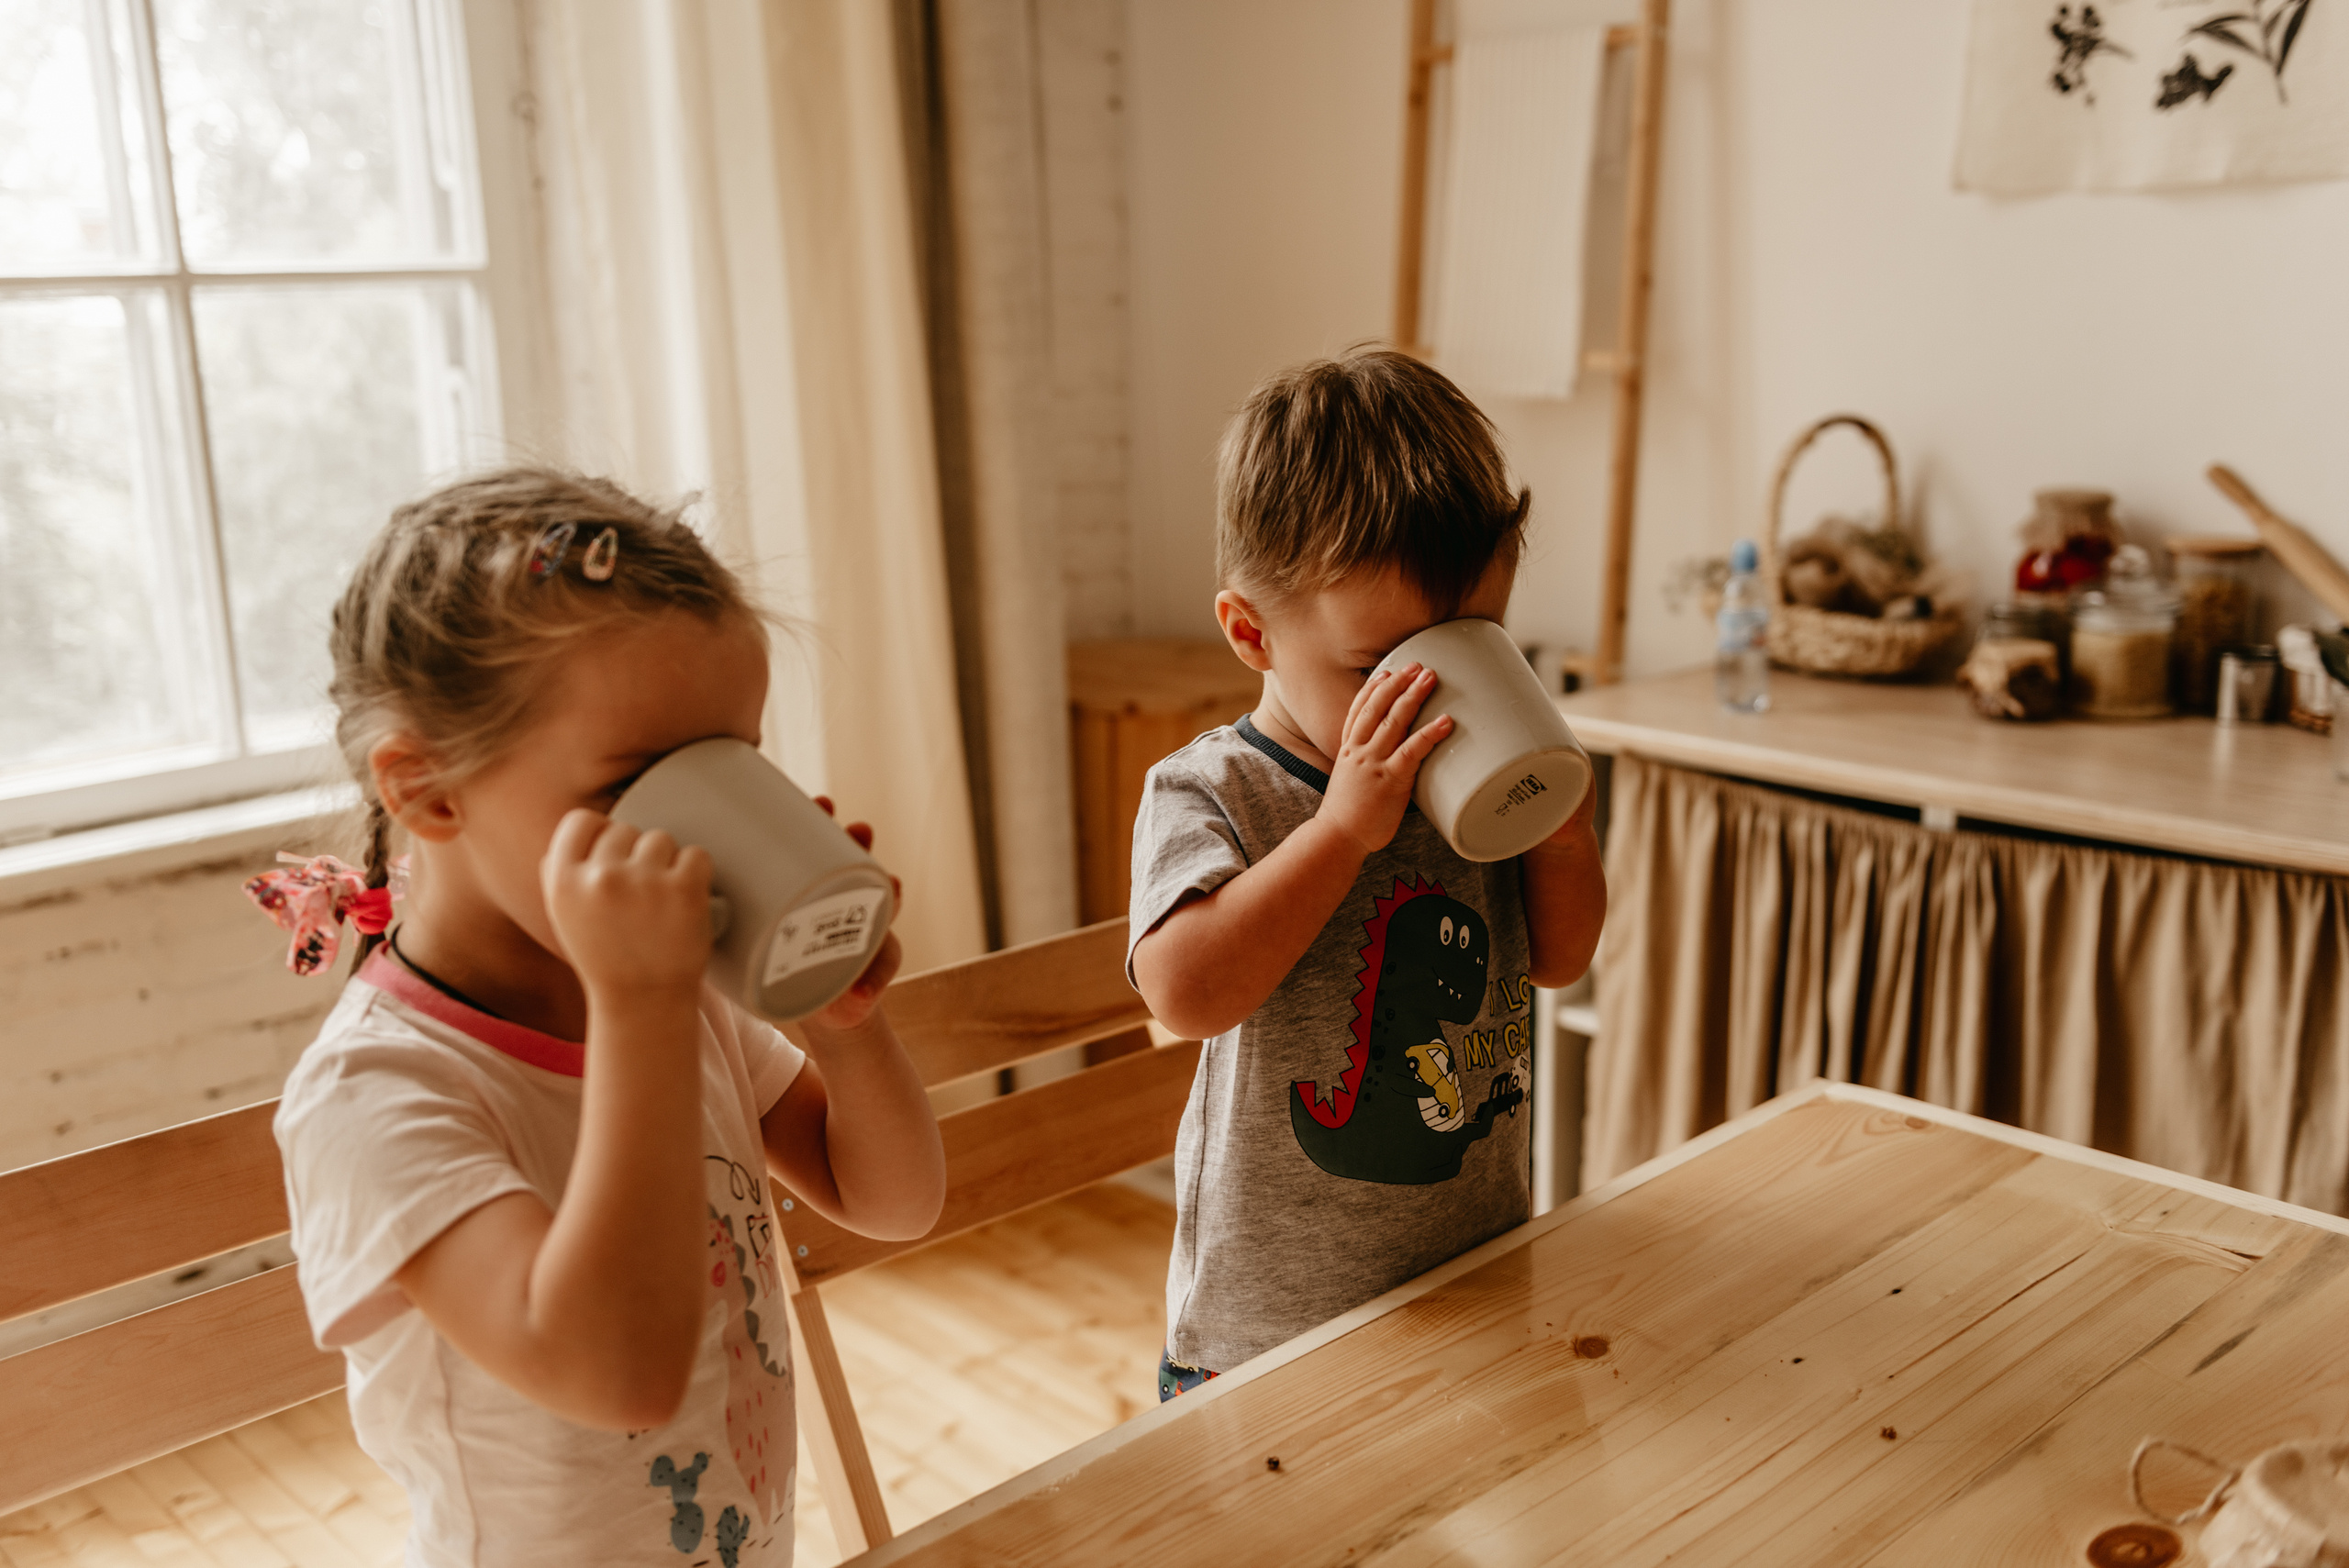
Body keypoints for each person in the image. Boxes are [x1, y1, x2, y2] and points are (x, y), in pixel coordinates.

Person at [262, 469, 944, 1567]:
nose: (697, 835)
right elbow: (617, 1373)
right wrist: (642, 1002)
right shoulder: (379, 1093)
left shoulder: (680, 999)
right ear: (428, 790)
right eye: (636, 787)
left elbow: (893, 1200)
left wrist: (844, 1025)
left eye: (729, 769)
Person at [1129, 349, 1608, 1400]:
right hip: (1271, 1336)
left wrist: (1562, 828)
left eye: (1473, 642)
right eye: (1376, 668)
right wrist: (1341, 829)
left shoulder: (1469, 778)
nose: (1431, 696)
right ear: (1251, 632)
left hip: (1472, 1281)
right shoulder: (1212, 790)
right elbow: (1185, 993)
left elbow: (1561, 957)